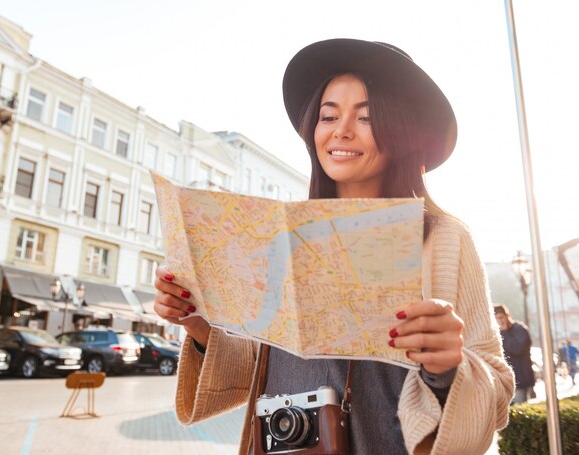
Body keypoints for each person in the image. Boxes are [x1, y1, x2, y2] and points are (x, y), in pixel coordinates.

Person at [154, 39, 514, 454]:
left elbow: (498, 390)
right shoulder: (282, 240)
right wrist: (201, 326)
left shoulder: (444, 237)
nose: (341, 130)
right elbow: (267, 365)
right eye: (329, 115)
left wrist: (450, 366)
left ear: (398, 130)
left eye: (366, 117)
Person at [494, 304, 536, 403]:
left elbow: (517, 349)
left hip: (519, 382)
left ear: (507, 315)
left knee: (518, 409)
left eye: (501, 317)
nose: (499, 321)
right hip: (503, 383)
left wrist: (504, 332)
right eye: (496, 318)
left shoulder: (519, 329)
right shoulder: (496, 333)